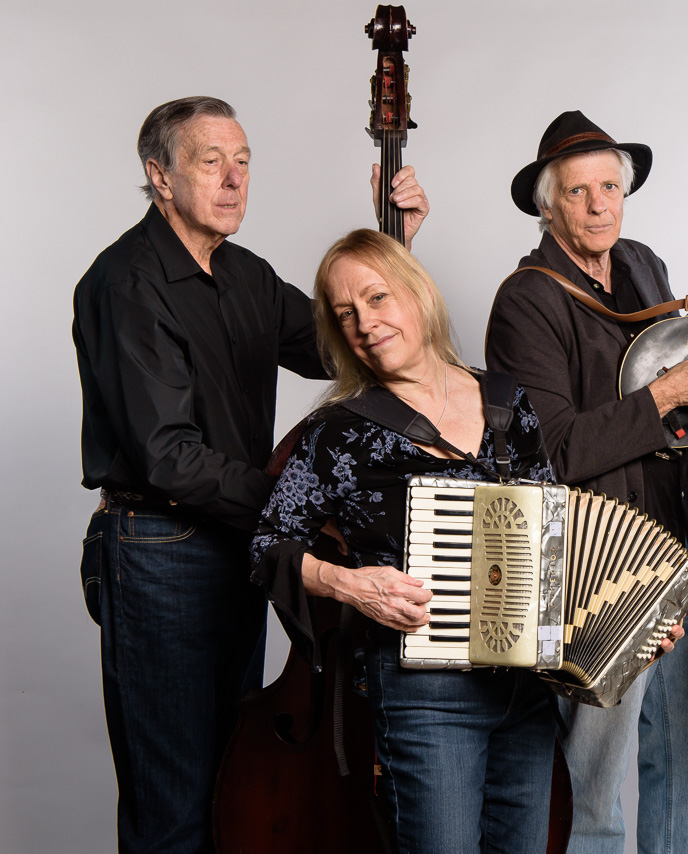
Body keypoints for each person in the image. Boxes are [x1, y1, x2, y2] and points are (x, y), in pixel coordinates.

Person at [71, 96, 428, 854]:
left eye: (243, 162)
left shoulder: (246, 275)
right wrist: (302, 508)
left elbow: (349, 349)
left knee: (227, 786)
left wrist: (392, 255)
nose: (234, 180)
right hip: (160, 549)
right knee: (174, 804)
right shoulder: (126, 283)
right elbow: (168, 456)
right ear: (160, 177)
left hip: (236, 544)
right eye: (211, 162)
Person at [485, 110, 688, 854]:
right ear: (548, 206)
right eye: (578, 192)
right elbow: (552, 451)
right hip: (601, 564)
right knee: (594, 774)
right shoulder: (527, 300)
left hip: (684, 542)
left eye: (610, 188)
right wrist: (662, 396)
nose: (599, 205)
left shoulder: (642, 266)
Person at [251, 228, 568, 853]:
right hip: (427, 697)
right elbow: (268, 546)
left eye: (377, 298)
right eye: (345, 314)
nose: (364, 324)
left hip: (527, 689)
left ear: (418, 294)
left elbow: (557, 539)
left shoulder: (509, 401)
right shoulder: (338, 432)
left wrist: (626, 625)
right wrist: (348, 584)